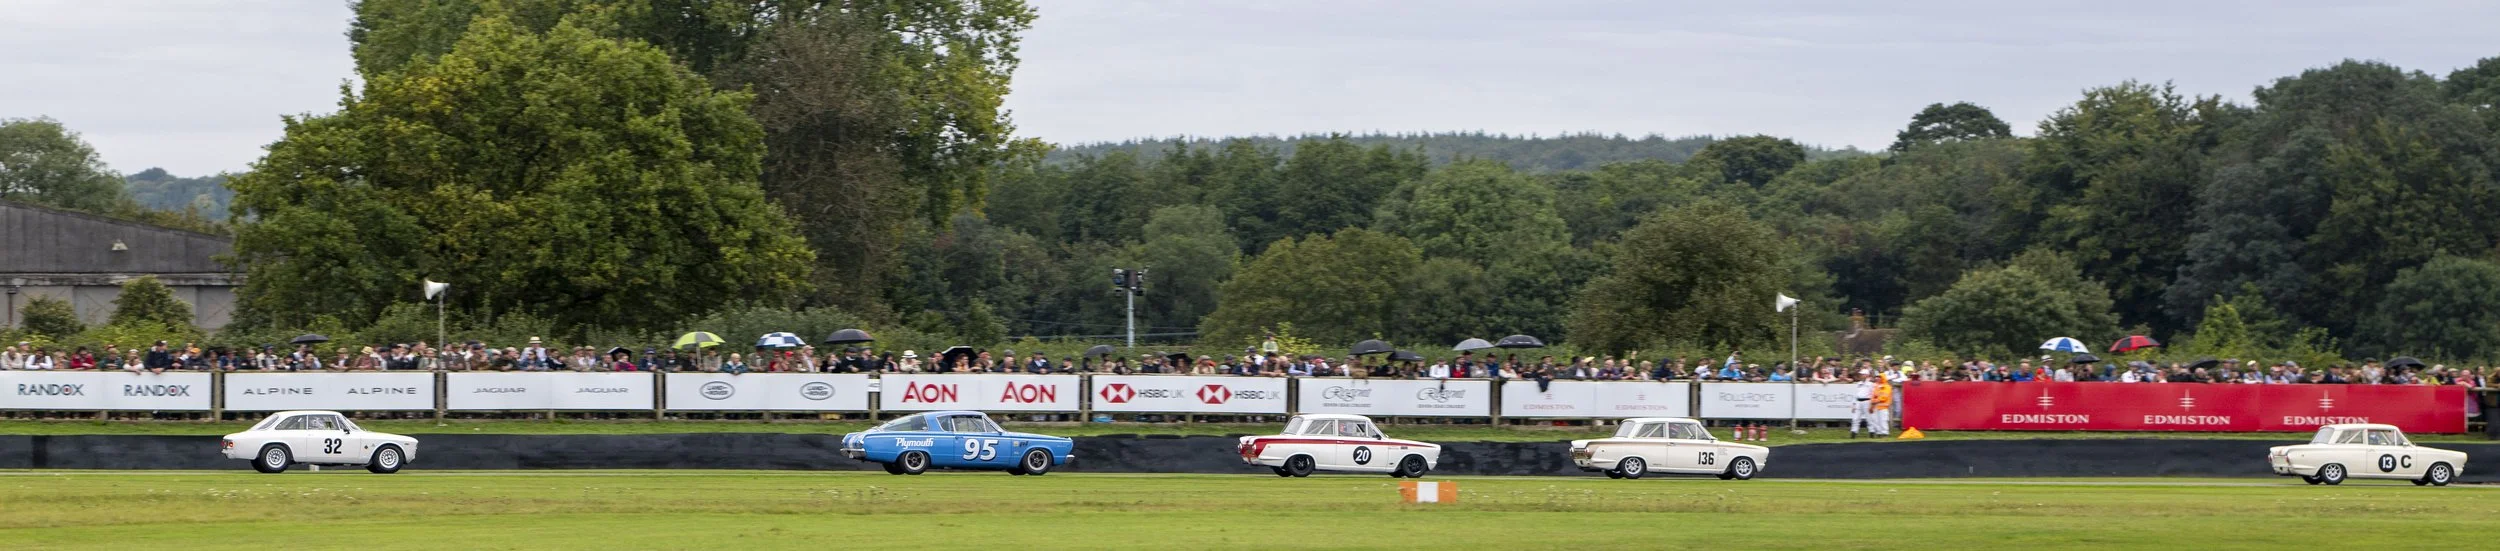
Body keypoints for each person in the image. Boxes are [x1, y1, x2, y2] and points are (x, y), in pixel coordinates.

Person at [1849, 370, 1877, 438]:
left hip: (1867, 401)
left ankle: (1872, 432)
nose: (1862, 376)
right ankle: (1854, 432)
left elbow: (1874, 395)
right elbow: (1855, 394)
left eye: (1863, 374)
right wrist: (1853, 404)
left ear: (1867, 375)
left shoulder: (1871, 384)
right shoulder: (1858, 384)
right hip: (1858, 402)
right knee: (1855, 418)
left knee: (1870, 418)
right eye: (1861, 374)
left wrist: (1872, 405)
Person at [1868, 370, 1894, 437]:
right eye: (1877, 377)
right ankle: (1879, 433)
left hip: (1883, 407)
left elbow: (1884, 397)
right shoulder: (1876, 386)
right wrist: (1872, 404)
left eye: (1879, 377)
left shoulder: (1887, 387)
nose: (1877, 378)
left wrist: (1875, 401)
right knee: (1876, 420)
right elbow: (1873, 396)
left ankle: (1885, 433)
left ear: (1883, 378)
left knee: (1883, 420)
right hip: (1876, 406)